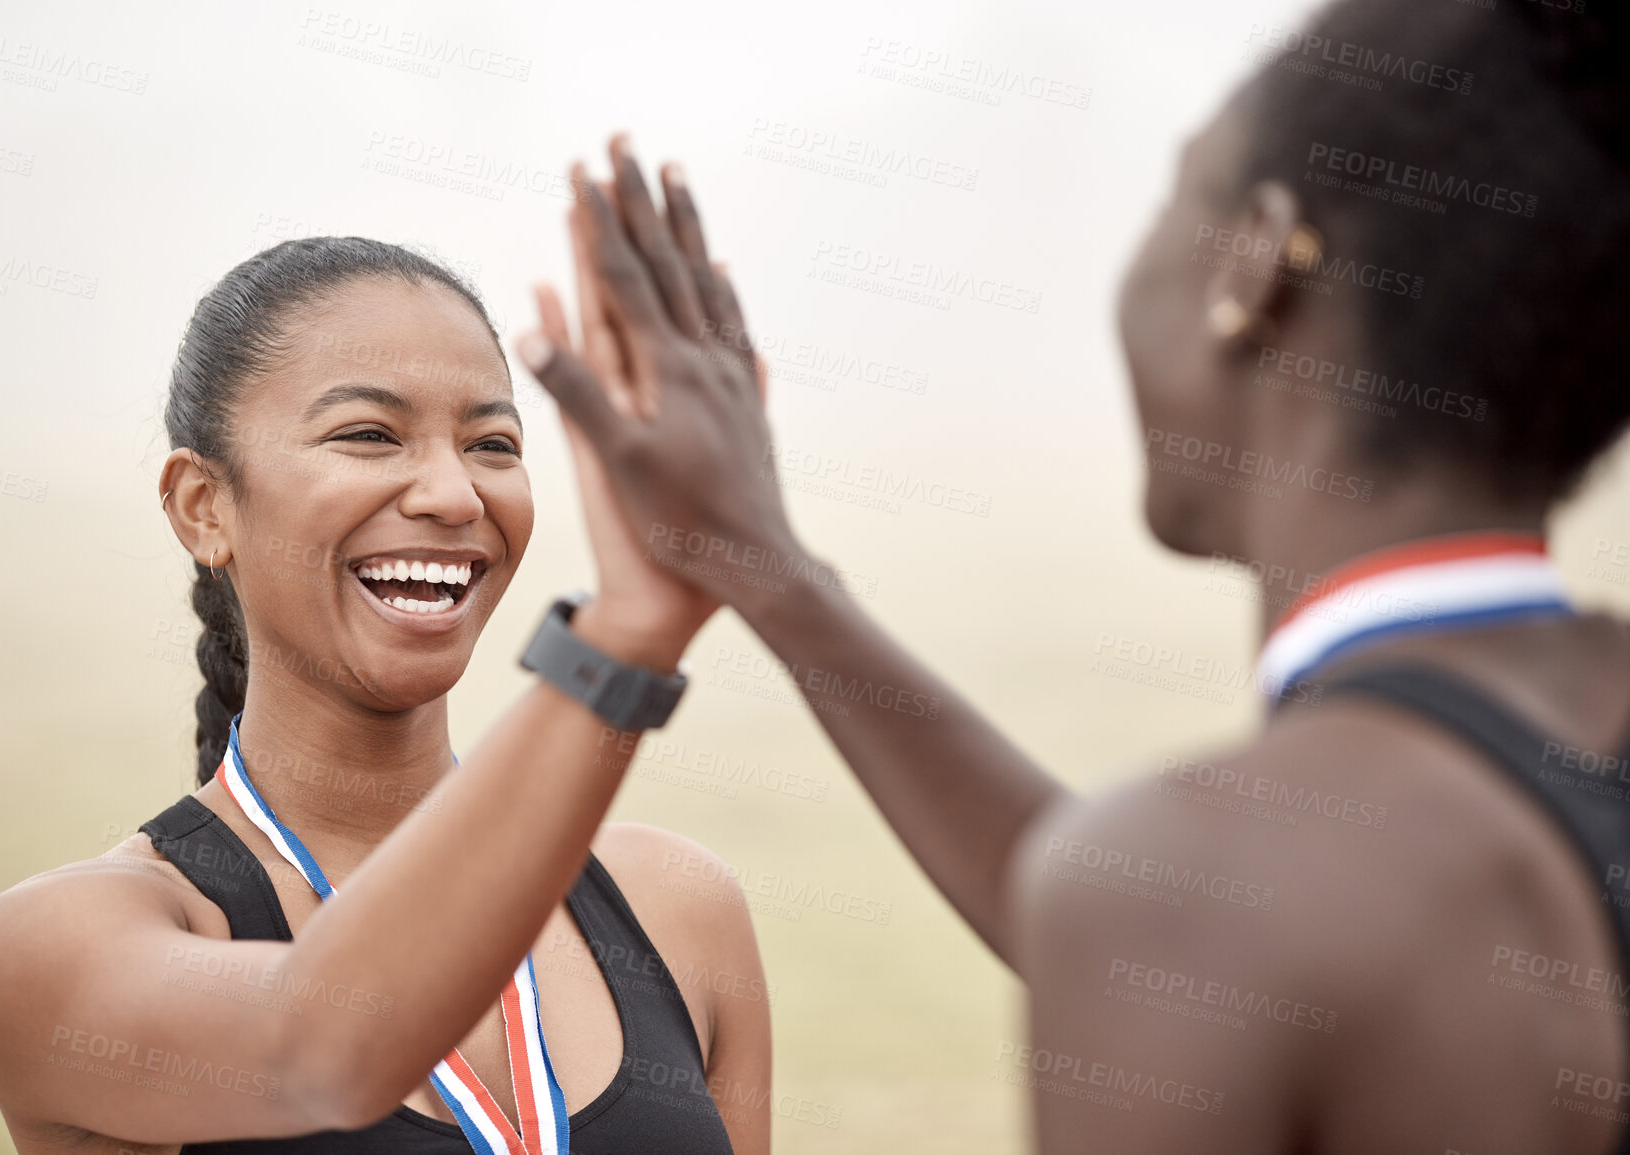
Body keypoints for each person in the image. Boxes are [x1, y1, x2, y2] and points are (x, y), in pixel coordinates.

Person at [517, 2, 1630, 1150]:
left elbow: (1192, 925)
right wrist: (768, 569)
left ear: (1251, 266)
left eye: (1172, 197)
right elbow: (1212, 937)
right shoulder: (1455, 809)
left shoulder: (1188, 887)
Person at [0, 237, 771, 1154]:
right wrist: (621, 642)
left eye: (492, 444)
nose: (456, 493)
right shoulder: (52, 946)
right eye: (369, 435)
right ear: (203, 506)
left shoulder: (673, 904)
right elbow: (326, 1049)